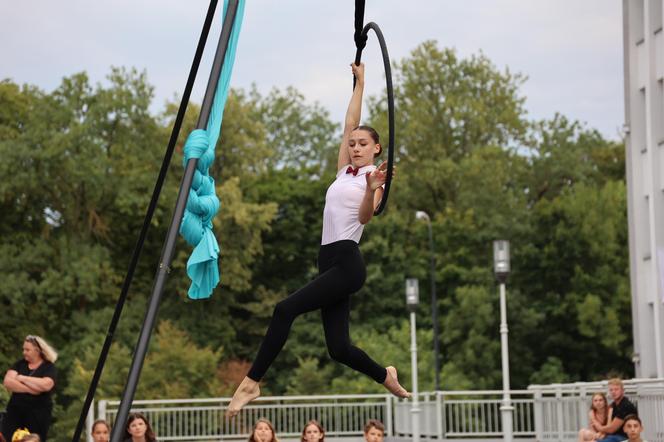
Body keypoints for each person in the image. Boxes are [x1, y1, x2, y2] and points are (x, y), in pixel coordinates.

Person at [226, 62, 408, 418]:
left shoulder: (376, 179)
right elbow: (348, 122)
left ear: (376, 149)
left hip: (347, 262)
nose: (355, 147)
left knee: (284, 309)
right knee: (338, 349)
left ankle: (252, 381)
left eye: (362, 144)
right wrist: (360, 83)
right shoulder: (345, 171)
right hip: (327, 260)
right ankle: (384, 375)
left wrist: (372, 189)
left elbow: (364, 217)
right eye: (352, 144)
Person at [2, 335, 58, 442]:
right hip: (15, 412)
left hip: (38, 414)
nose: (24, 352)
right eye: (23, 349)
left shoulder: (48, 367)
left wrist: (22, 378)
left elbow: (46, 385)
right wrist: (31, 389)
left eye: (27, 350)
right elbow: (8, 382)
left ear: (37, 351)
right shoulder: (19, 364)